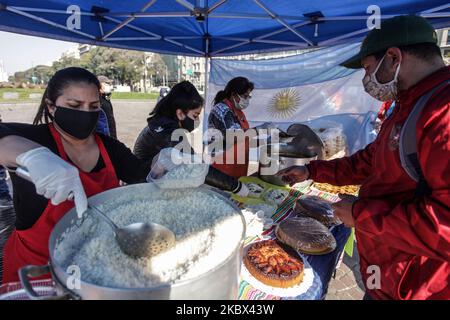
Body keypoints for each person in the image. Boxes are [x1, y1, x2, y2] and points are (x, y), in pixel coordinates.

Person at [277, 15, 450, 300]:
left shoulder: (441, 112)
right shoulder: (408, 104)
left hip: (419, 286)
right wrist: (312, 172)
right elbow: (370, 161)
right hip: (387, 273)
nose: (365, 79)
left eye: (368, 68)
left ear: (393, 57)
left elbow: (444, 225)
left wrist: (362, 214)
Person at [0, 67, 152, 283]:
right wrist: (32, 156)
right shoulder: (34, 138)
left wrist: (163, 162)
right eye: (74, 106)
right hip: (36, 276)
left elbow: (145, 176)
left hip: (93, 272)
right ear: (51, 107)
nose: (85, 113)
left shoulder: (110, 149)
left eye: (94, 107)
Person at [134, 81, 249, 196]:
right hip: (143, 187)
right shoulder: (167, 131)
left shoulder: (164, 123)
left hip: (153, 181)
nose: (197, 120)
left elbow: (192, 159)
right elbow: (195, 166)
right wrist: (236, 186)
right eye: (195, 115)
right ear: (180, 113)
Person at [208, 77, 273, 178]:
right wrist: (260, 129)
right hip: (221, 167)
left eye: (248, 97)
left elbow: (245, 141)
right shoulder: (222, 110)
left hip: (236, 166)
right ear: (233, 94)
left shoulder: (238, 112)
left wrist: (267, 141)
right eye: (244, 96)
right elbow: (234, 136)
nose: (246, 100)